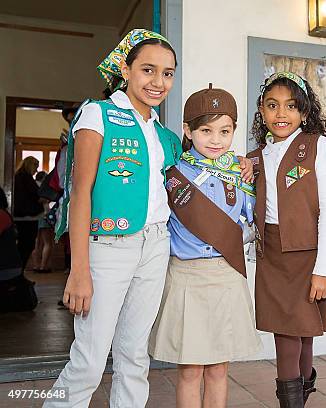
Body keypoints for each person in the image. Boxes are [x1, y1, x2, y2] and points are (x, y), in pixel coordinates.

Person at [44, 29, 184, 408]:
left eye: (168, 73)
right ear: (126, 69)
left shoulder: (165, 135)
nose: (158, 82)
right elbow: (80, 193)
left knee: (135, 356)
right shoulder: (97, 114)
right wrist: (79, 269)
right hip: (107, 246)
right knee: (90, 359)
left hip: (156, 245)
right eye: (148, 70)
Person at [149, 85, 262, 407]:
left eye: (225, 131)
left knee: (218, 369)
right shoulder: (172, 173)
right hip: (186, 278)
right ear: (188, 130)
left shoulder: (239, 174)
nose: (216, 140)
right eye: (206, 130)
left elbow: (251, 218)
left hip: (226, 276)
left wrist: (250, 172)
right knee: (189, 371)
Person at [247, 71, 326, 407]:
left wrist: (323, 267)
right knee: (287, 332)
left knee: (302, 331)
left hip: (308, 255)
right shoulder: (255, 157)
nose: (280, 114)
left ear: (304, 112)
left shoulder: (316, 145)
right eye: (272, 106)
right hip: (272, 254)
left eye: (290, 106)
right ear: (262, 108)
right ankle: (299, 393)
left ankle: (301, 389)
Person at [13, 156, 44, 270]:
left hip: (19, 216)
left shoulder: (17, 177)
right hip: (28, 217)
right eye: (36, 166)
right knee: (27, 245)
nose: (36, 170)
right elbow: (36, 195)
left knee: (22, 245)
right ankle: (19, 272)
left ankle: (18, 273)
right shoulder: (26, 178)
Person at [33, 170, 54, 273]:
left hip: (36, 216)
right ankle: (43, 266)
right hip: (45, 215)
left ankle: (36, 265)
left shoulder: (34, 187)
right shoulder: (45, 189)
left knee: (37, 242)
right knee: (47, 243)